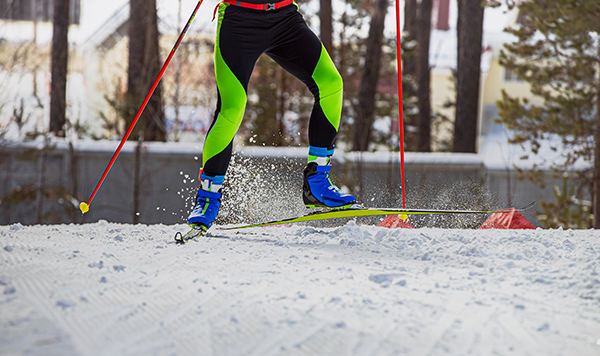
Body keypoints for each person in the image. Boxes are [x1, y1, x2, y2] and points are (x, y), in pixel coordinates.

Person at [187, 0, 356, 232]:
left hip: (285, 18)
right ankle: (208, 197)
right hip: (239, 21)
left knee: (331, 83)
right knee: (232, 108)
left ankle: (317, 180)